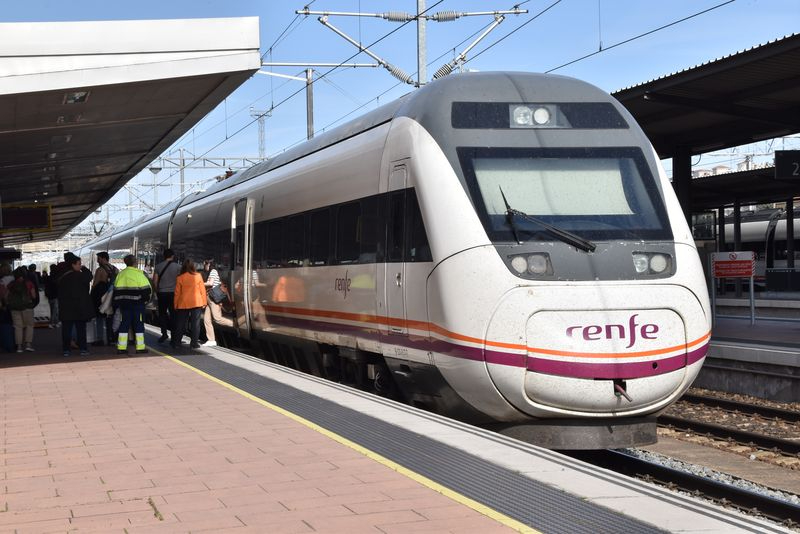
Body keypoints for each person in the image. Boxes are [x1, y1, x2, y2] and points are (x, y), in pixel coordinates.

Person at [113, 254, 151, 355]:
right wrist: (145, 301)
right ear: (135, 262)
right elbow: (147, 290)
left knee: (124, 324)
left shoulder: (120, 275)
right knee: (138, 325)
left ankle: (121, 347)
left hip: (124, 306)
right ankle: (140, 347)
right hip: (137, 305)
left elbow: (115, 290)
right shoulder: (139, 274)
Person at [57, 255, 94, 357]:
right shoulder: (79, 275)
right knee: (81, 330)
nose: (80, 266)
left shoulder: (62, 276)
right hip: (79, 308)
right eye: (79, 264)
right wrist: (84, 268)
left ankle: (66, 350)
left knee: (66, 331)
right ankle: (83, 349)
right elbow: (90, 276)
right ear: (73, 264)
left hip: (66, 308)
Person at [173, 259, 207, 350]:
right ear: (193, 266)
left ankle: (177, 343)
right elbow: (202, 290)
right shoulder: (198, 276)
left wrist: (175, 304)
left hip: (183, 303)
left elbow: (177, 293)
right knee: (195, 324)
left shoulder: (180, 277)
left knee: (180, 324)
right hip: (196, 303)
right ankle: (194, 343)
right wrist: (204, 302)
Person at [153, 249, 180, 344]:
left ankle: (164, 333)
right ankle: (174, 338)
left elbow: (155, 282)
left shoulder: (158, 267)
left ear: (164, 256)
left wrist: (157, 291)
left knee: (162, 314)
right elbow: (180, 282)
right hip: (173, 294)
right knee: (174, 315)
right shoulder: (178, 267)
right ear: (172, 256)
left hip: (162, 294)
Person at [6, 266, 37, 352]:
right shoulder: (29, 283)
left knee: (17, 327)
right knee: (29, 325)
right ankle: (28, 344)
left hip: (15, 308)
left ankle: (19, 347)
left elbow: (6, 296)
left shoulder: (11, 284)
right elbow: (33, 296)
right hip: (27, 307)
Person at [90, 252, 118, 346]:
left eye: (98, 258)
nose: (97, 261)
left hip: (101, 297)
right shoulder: (115, 269)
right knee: (110, 318)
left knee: (99, 318)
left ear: (103, 259)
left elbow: (95, 284)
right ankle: (111, 338)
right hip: (112, 297)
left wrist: (91, 295)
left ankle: (100, 339)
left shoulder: (100, 270)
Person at [201, 259, 222, 346]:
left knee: (217, 319)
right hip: (210, 298)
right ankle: (211, 340)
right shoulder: (212, 272)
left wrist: (199, 283)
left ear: (208, 264)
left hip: (213, 298)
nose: (204, 266)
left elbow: (210, 283)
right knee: (206, 319)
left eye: (204, 264)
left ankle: (235, 323)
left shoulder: (213, 271)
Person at [44, 263, 59, 328]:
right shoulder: (57, 277)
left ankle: (54, 322)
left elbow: (46, 286)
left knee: (52, 309)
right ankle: (53, 322)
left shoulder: (48, 277)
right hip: (56, 295)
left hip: (50, 296)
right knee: (55, 310)